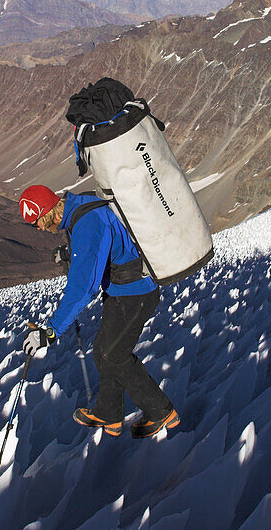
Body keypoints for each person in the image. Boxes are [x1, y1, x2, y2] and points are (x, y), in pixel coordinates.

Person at [18, 184, 180, 438]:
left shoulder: (87, 223)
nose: (37, 228)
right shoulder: (78, 207)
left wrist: (51, 331)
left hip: (136, 293)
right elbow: (101, 244)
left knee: (113, 356)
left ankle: (161, 411)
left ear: (48, 212)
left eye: (36, 221)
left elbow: (83, 287)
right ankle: (109, 415)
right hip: (121, 291)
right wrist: (71, 253)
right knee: (105, 352)